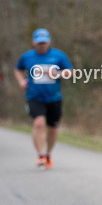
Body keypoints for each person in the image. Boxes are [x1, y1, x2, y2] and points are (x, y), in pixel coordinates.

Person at [15, 29, 74, 169]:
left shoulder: (58, 56)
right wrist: (21, 81)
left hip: (54, 98)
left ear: (49, 41)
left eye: (44, 42)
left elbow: (70, 72)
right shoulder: (27, 57)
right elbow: (17, 69)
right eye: (39, 43)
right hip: (35, 96)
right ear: (34, 42)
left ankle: (48, 154)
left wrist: (58, 74)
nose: (42, 45)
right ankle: (40, 155)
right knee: (39, 123)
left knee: (52, 128)